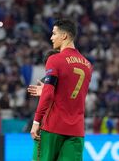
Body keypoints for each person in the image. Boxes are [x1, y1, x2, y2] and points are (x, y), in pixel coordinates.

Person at [30, 19, 92, 161]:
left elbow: (48, 94)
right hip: (76, 131)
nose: (51, 37)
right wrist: (46, 89)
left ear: (64, 36)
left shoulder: (55, 59)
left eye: (54, 33)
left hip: (53, 127)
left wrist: (36, 121)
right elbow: (72, 93)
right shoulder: (88, 65)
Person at [27, 49, 59, 161]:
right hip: (47, 128)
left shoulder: (47, 83)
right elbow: (38, 104)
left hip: (49, 130)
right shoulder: (45, 81)